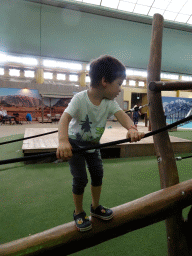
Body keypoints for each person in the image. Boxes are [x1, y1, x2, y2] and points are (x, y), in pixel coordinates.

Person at [56, 55, 145, 232]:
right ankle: (79, 212)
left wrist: (131, 129)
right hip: (75, 145)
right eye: (119, 84)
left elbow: (122, 116)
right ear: (105, 81)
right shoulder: (80, 99)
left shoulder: (109, 103)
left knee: (98, 174)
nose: (120, 89)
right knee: (80, 179)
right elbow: (64, 119)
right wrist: (63, 140)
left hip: (93, 145)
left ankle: (95, 208)